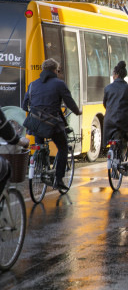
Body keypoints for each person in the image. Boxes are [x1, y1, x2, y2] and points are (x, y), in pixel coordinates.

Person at [22, 58, 82, 191]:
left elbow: (24, 106)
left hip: (35, 125)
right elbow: (69, 102)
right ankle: (58, 180)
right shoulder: (59, 84)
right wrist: (78, 112)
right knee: (63, 148)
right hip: (52, 124)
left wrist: (36, 111)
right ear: (55, 70)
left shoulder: (32, 84)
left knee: (39, 144)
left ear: (43, 70)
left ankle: (42, 164)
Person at [103, 61, 128, 143]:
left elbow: (105, 104)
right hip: (124, 121)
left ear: (116, 74)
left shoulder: (107, 88)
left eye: (113, 74)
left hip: (109, 122)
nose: (113, 76)